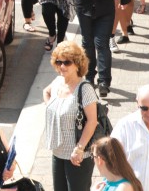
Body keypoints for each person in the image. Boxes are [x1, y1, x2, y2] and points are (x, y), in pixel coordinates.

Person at [42, 42, 99, 191]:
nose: (62, 66)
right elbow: (45, 92)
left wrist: (79, 149)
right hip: (58, 151)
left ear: (77, 64)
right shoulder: (58, 82)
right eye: (59, 62)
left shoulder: (85, 89)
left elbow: (92, 121)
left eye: (67, 62)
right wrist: (51, 108)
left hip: (78, 155)